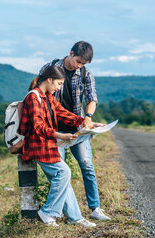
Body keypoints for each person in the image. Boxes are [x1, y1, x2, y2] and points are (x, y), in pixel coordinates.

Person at [39, 41, 111, 221]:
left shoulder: (86, 74)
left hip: (78, 130)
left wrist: (88, 116)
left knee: (87, 165)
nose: (79, 66)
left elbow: (92, 98)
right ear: (71, 53)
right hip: (55, 132)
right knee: (61, 173)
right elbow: (39, 94)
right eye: (78, 61)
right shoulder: (50, 68)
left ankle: (95, 209)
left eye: (83, 64)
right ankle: (69, 213)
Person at [18, 65, 97, 227]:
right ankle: (48, 212)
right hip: (37, 146)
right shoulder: (33, 98)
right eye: (59, 84)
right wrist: (61, 135)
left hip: (47, 144)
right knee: (63, 172)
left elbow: (63, 113)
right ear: (49, 80)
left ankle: (75, 217)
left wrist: (87, 122)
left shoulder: (48, 97)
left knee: (62, 178)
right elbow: (38, 127)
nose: (59, 88)